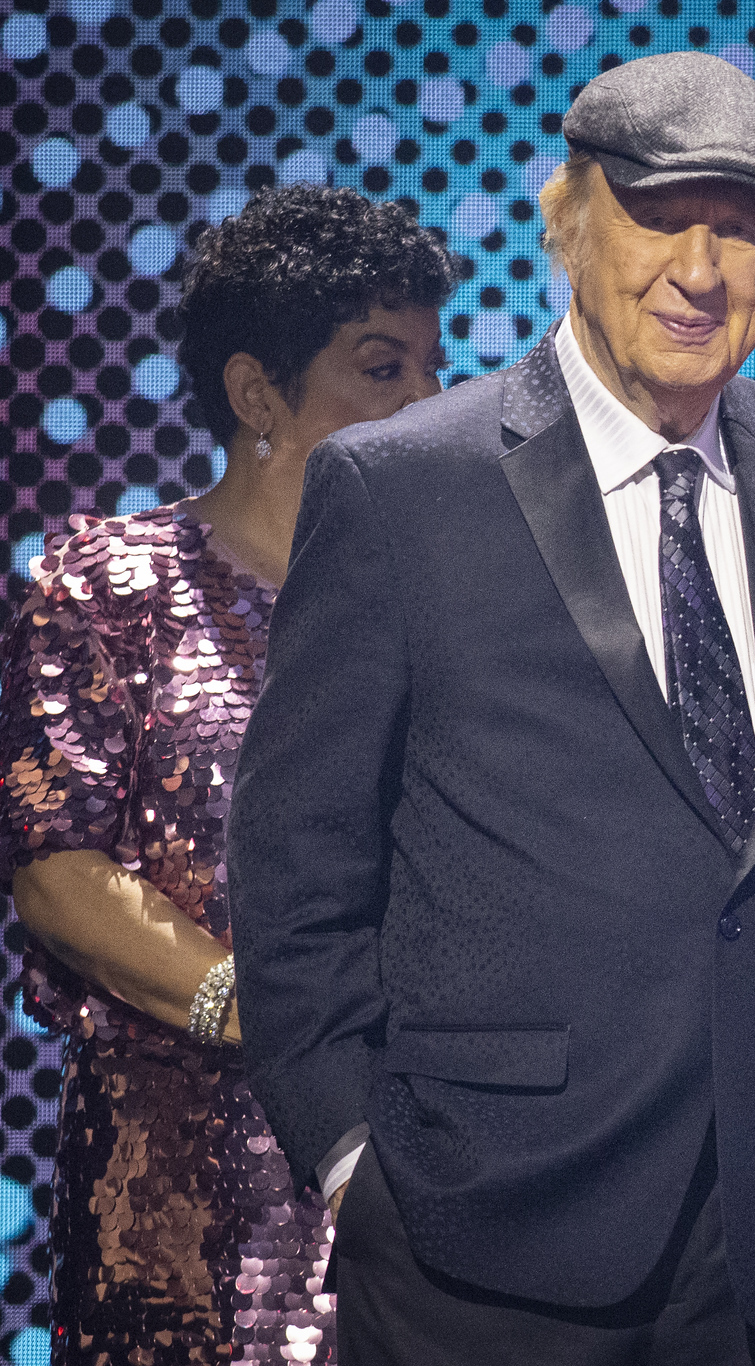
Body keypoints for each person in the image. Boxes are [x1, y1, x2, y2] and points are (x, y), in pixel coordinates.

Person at [224, 52, 755, 1366]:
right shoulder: (398, 486)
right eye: (661, 217)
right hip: (481, 1229)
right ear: (572, 221)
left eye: (742, 231)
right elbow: (296, 859)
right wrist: (351, 1154)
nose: (700, 269)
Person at [1, 184, 453, 1365]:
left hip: (409, 1153)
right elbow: (54, 871)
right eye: (381, 366)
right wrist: (261, 1010)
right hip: (179, 1182)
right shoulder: (113, 586)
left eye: (429, 365)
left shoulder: (447, 606)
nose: (428, 400)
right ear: (258, 393)